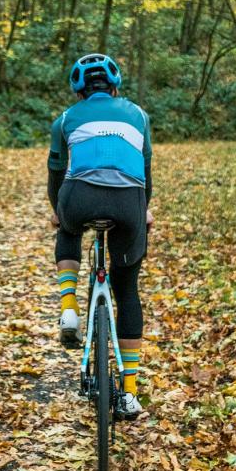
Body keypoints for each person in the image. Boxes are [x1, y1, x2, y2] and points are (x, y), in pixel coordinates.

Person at [47, 53, 153, 421]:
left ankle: (69, 309)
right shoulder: (139, 116)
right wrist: (144, 211)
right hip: (129, 204)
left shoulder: (64, 120)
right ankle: (129, 393)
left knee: (68, 228)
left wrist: (60, 213)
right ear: (115, 86)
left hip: (79, 198)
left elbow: (56, 176)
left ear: (79, 90)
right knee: (127, 290)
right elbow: (145, 172)